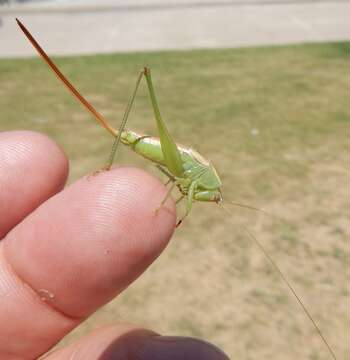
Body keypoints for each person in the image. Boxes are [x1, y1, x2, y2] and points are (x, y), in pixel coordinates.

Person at [0, 130, 230, 359]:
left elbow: (183, 185)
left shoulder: (204, 183)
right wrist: (173, 209)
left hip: (176, 160)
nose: (211, 199)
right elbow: (186, 187)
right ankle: (112, 161)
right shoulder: (207, 180)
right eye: (214, 197)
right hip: (172, 154)